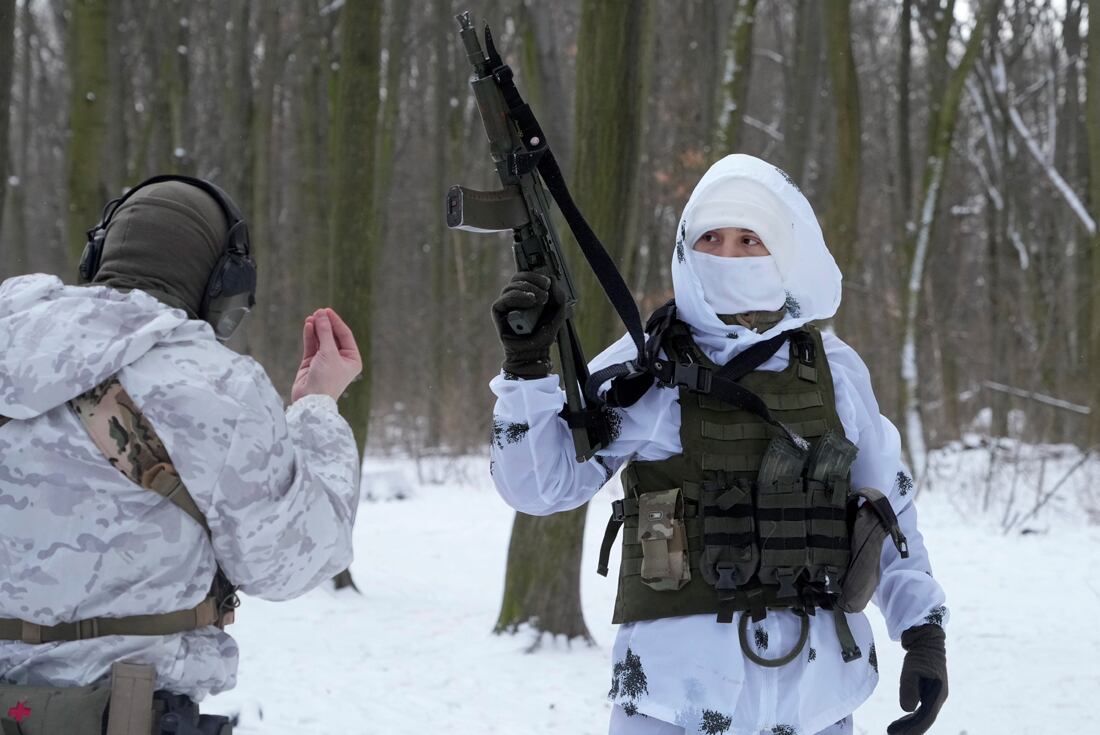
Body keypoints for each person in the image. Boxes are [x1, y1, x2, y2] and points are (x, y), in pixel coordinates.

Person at [488, 155, 948, 735]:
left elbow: (888, 510)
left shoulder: (835, 372)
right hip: (671, 699)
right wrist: (526, 370)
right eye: (711, 237)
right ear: (686, 247)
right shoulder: (646, 370)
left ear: (782, 251)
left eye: (750, 239)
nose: (728, 255)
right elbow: (539, 487)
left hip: (816, 701)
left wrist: (924, 633)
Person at [0, 176, 363, 734]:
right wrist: (317, 408)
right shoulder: (217, 389)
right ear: (223, 287)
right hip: (125, 714)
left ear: (96, 255)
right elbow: (297, 560)